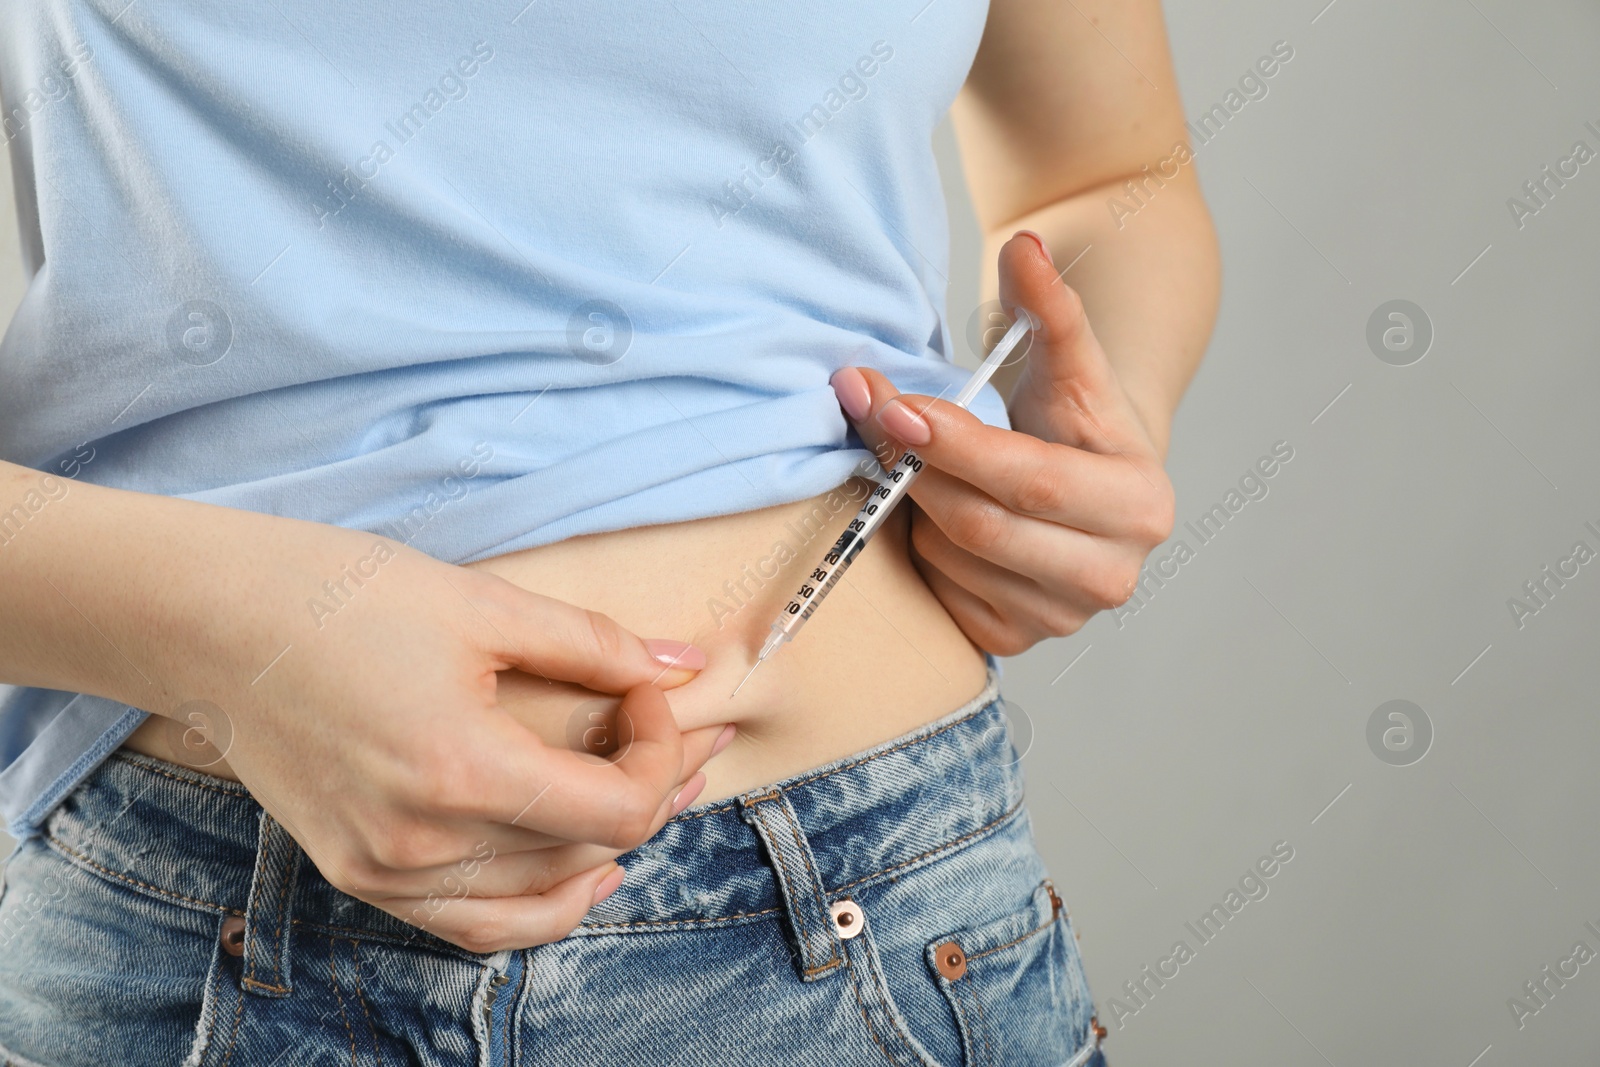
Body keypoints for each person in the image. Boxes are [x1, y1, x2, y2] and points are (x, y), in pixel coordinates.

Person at [0, 0, 1217, 1063]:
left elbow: (1107, 174)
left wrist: (1094, 437)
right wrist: (238, 636)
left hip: (868, 907)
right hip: (193, 922)